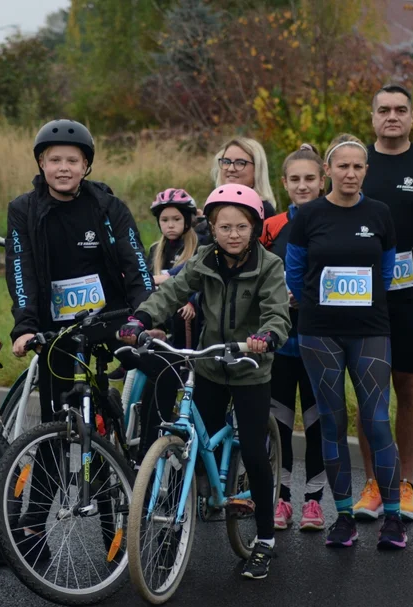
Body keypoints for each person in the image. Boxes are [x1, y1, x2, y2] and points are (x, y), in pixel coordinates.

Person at [5, 120, 175, 560]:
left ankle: (146, 489)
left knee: (159, 379)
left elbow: (136, 266)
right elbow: (20, 271)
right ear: (41, 163)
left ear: (86, 165)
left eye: (72, 161)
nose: (63, 168)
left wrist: (144, 317)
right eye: (54, 160)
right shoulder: (23, 209)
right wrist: (24, 325)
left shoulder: (107, 207)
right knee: (57, 432)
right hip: (58, 333)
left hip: (112, 322)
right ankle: (31, 529)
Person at [119, 183, 290, 579]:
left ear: (254, 228)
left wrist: (266, 338)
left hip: (250, 367)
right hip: (211, 363)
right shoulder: (205, 261)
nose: (232, 234)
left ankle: (264, 539)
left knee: (252, 447)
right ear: (211, 228)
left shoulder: (269, 266)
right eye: (224, 227)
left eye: (241, 227)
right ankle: (171, 530)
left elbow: (277, 312)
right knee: (190, 444)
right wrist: (141, 319)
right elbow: (174, 291)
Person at [285, 133, 405, 550]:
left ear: (365, 172)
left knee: (376, 421)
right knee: (331, 423)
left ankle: (393, 518)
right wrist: (321, 304)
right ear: (327, 173)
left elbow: (387, 272)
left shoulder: (380, 213)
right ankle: (343, 517)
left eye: (358, 167)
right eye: (343, 166)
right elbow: (294, 272)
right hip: (319, 331)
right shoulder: (309, 215)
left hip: (370, 329)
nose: (350, 173)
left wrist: (360, 305)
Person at [355, 84, 413, 523]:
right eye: (384, 110)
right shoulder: (355, 162)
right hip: (357, 296)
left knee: (408, 389)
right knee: (368, 395)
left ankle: (405, 484)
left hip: (412, 297)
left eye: (400, 110)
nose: (392, 116)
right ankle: (374, 484)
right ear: (372, 116)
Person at [263, 144, 328, 532]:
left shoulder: (333, 219)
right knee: (280, 422)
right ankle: (282, 498)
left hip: (321, 337)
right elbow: (260, 275)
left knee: (319, 422)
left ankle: (315, 503)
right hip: (282, 339)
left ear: (322, 181)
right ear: (284, 183)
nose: (303, 186)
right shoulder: (272, 226)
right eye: (295, 180)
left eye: (310, 179)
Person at [196, 137, 278, 243]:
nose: (230, 168)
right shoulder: (213, 205)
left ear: (257, 169)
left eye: (240, 163)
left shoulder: (263, 210)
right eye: (226, 161)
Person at [146, 188, 200, 350]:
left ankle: (183, 361)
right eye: (164, 220)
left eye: (176, 219)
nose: (170, 225)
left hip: (187, 309)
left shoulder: (199, 246)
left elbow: (201, 281)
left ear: (188, 220)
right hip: (161, 306)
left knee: (182, 313)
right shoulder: (155, 249)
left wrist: (191, 302)